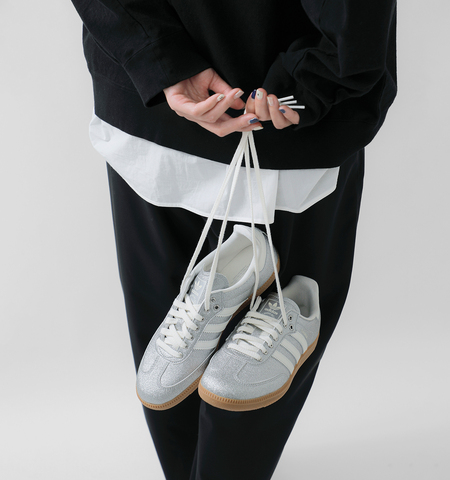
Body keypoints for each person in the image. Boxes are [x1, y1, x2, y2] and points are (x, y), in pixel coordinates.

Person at [70, 1, 397, 478]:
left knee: (188, 353)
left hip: (185, 105)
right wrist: (317, 75)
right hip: (275, 101)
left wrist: (158, 58)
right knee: (197, 367)